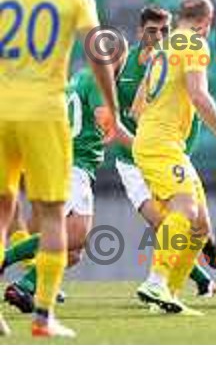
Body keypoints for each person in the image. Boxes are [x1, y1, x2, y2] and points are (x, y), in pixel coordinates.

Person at [0, 0, 125, 338]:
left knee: (2, 213)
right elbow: (96, 55)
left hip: (2, 110)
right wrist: (112, 106)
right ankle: (43, 317)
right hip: (45, 113)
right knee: (54, 218)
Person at [2, 40, 130, 312]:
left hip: (59, 159)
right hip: (73, 165)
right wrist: (141, 147)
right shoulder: (98, 79)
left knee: (72, 252)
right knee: (76, 233)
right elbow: (106, 121)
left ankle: (25, 286)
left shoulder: (76, 77)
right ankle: (6, 260)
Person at [134, 0, 216, 314]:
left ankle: (168, 294)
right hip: (161, 144)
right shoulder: (194, 44)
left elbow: (138, 106)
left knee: (200, 227)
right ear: (207, 22)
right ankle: (155, 280)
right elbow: (198, 94)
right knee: (185, 208)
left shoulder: (162, 47)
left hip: (162, 142)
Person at [113, 5, 216, 298]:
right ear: (138, 32)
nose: (158, 36)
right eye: (151, 31)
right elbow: (116, 112)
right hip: (133, 160)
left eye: (164, 30)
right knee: (166, 221)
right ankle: (169, 282)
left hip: (166, 151)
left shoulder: (169, 59)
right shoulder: (124, 61)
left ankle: (168, 286)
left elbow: (191, 114)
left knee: (190, 222)